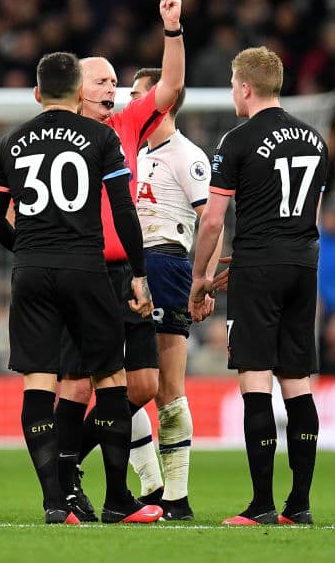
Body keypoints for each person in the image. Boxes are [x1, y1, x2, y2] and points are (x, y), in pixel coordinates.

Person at [0, 51, 162, 525]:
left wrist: (26, 249)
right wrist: (139, 273)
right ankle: (117, 499)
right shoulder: (101, 136)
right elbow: (122, 209)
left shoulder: (11, 142)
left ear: (37, 93)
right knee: (111, 381)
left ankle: (55, 503)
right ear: (79, 90)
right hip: (86, 269)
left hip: (32, 272)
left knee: (41, 384)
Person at [54, 0, 185, 520]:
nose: (112, 89)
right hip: (81, 270)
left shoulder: (128, 123)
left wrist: (172, 27)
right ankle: (74, 484)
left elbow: (171, 85)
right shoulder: (59, 137)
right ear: (77, 91)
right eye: (102, 82)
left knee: (143, 384)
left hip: (130, 270)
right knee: (80, 382)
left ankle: (70, 463)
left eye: (115, 82)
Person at [188, 46, 328, 526]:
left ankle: (262, 505)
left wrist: (200, 278)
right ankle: (299, 505)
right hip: (303, 264)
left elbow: (212, 221)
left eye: (233, 84)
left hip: (259, 267)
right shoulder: (315, 138)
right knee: (297, 381)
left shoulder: (237, 140)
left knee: (255, 380)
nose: (232, 92)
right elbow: (312, 213)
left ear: (245, 87)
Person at [132, 67, 221, 520]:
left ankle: (177, 496)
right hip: (129, 270)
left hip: (167, 264)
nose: (130, 102)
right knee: (122, 380)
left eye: (137, 94)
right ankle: (151, 484)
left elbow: (212, 221)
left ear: (162, 101)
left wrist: (204, 281)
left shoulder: (188, 156)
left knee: (167, 387)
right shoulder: (132, 151)